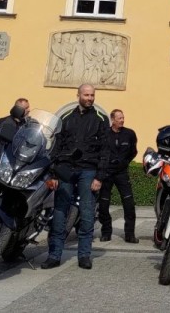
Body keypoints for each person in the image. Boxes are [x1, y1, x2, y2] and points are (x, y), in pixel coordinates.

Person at [43, 83, 108, 270]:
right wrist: (53, 172)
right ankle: (54, 255)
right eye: (86, 95)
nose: (89, 98)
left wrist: (99, 177)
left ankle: (84, 255)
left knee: (87, 214)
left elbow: (105, 150)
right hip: (65, 169)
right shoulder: (65, 117)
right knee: (59, 213)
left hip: (88, 171)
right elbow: (56, 145)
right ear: (78, 95)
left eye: (92, 95)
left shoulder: (100, 118)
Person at [97, 109, 138, 244]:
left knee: (129, 203)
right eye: (119, 118)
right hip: (106, 173)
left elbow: (133, 151)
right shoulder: (104, 134)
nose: (122, 120)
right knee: (103, 204)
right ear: (113, 120)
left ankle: (130, 234)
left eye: (123, 117)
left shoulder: (129, 134)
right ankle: (106, 231)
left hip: (121, 173)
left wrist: (124, 162)